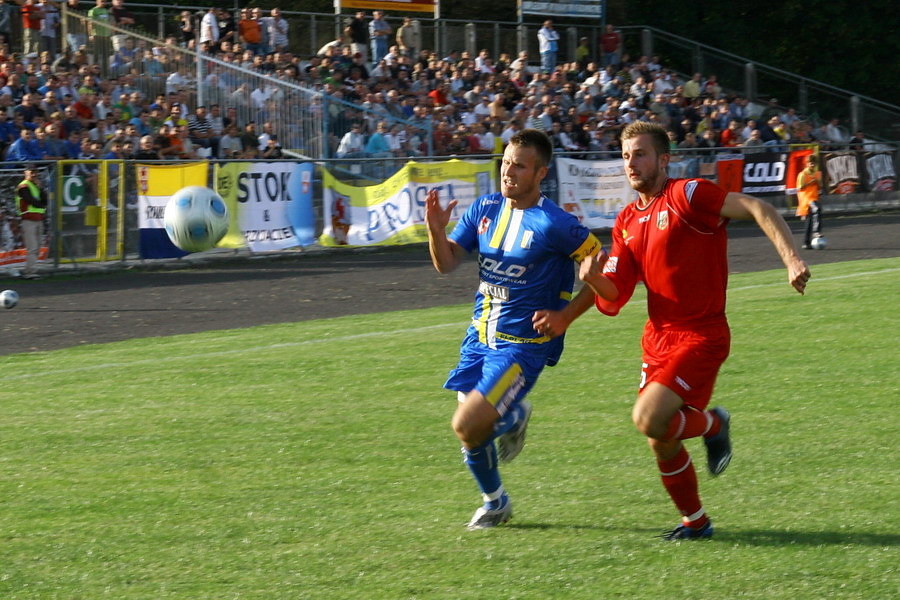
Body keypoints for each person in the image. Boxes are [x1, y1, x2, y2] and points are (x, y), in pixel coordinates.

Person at [577, 122, 810, 540]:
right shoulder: (627, 220)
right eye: (626, 155)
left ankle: (713, 426)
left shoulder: (688, 195)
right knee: (661, 437)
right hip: (658, 339)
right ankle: (696, 522)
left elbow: (760, 208)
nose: (631, 163)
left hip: (702, 334)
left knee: (648, 418)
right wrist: (593, 279)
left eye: (641, 154)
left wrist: (791, 260)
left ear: (664, 160)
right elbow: (616, 293)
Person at [424, 129, 603, 530]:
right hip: (478, 339)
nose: (509, 171)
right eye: (506, 162)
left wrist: (565, 317)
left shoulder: (557, 224)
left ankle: (515, 413)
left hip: (521, 347)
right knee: (471, 435)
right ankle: (496, 503)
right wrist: (436, 231)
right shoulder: (485, 209)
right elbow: (446, 263)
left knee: (467, 424)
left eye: (520, 165)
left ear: (541, 173)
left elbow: (606, 273)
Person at [16, 164, 48, 279]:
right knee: (32, 247)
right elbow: (31, 201)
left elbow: (45, 200)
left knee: (38, 246)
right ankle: (29, 272)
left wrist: (41, 188)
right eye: (31, 172)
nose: (34, 175)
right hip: (28, 219)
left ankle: (30, 270)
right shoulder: (23, 186)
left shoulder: (35, 186)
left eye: (35, 172)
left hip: (38, 218)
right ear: (26, 173)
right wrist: (41, 203)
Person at [795, 154, 823, 249]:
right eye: (811, 163)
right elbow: (800, 188)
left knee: (809, 221)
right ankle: (817, 232)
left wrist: (818, 183)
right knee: (817, 208)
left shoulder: (817, 174)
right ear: (807, 164)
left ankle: (806, 243)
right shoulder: (802, 174)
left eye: (814, 164)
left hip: (814, 197)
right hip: (806, 199)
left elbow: (820, 187)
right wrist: (810, 183)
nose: (812, 165)